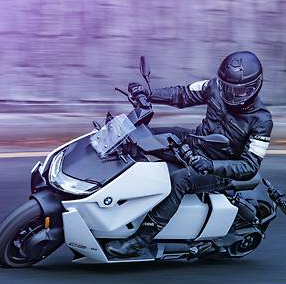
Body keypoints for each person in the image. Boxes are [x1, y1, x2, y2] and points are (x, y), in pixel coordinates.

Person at [106, 51, 273, 258]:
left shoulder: (262, 121)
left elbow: (249, 166)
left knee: (180, 180)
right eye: (226, 87)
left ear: (254, 87)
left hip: (218, 168)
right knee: (140, 136)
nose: (229, 94)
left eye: (237, 91)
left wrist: (210, 166)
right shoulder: (214, 86)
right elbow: (182, 94)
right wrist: (148, 94)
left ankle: (139, 242)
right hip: (194, 143)